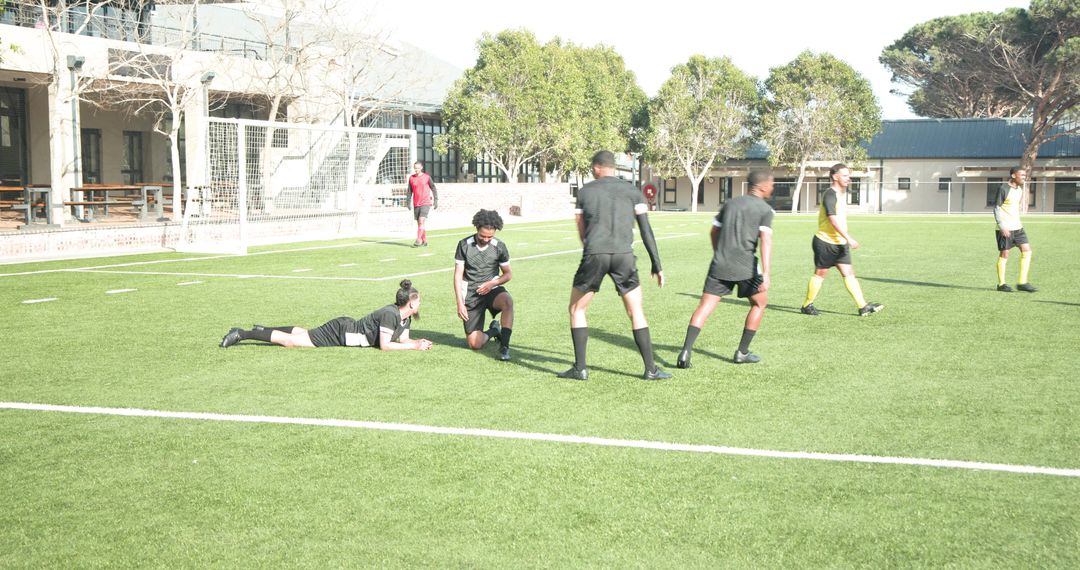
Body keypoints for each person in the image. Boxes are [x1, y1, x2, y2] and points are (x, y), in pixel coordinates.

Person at [558, 150, 670, 381]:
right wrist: (656, 265)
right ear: (614, 167)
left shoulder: (585, 191)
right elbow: (646, 230)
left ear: (597, 167)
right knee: (636, 311)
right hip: (624, 256)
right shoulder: (632, 191)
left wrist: (589, 247)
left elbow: (580, 224)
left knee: (577, 309)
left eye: (592, 168)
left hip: (595, 255)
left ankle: (580, 369)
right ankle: (651, 369)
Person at [677, 170, 776, 367]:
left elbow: (714, 231)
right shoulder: (765, 210)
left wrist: (718, 253)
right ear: (763, 186)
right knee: (759, 304)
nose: (772, 188)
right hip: (746, 266)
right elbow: (765, 240)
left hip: (720, 263)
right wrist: (766, 273)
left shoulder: (730, 203)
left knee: (704, 306)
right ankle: (742, 352)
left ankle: (685, 352)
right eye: (772, 184)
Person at [219, 280, 433, 350]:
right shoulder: (390, 314)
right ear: (411, 303)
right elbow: (385, 345)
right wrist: (413, 347)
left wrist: (417, 342)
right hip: (339, 333)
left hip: (344, 329)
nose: (421, 303)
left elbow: (402, 339)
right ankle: (242, 334)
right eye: (419, 300)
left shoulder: (404, 318)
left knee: (303, 333)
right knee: (290, 342)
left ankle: (263, 330)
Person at [800, 163, 884, 317]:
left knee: (849, 273)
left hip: (840, 243)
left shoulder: (840, 194)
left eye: (849, 175)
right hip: (825, 242)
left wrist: (844, 239)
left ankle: (862, 306)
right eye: (845, 175)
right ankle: (807, 304)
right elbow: (832, 219)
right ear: (835, 176)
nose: (849, 178)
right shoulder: (830, 194)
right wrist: (849, 238)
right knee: (820, 274)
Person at [454, 209, 514, 361]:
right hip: (471, 294)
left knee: (507, 301)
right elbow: (457, 275)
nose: (486, 239)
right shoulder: (464, 245)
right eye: (483, 236)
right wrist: (460, 303)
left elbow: (508, 274)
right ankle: (494, 331)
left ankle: (504, 347)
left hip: (492, 289)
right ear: (476, 229)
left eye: (490, 236)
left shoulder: (499, 246)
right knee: (475, 344)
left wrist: (492, 283)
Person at [993, 166, 1037, 292]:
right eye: (1022, 175)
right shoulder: (1003, 188)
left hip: (1018, 227)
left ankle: (1022, 282)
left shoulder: (1019, 190)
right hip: (1005, 228)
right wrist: (1002, 226)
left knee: (1027, 251)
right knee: (1005, 254)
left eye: (1025, 175)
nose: (1024, 177)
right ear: (1013, 175)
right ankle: (1001, 284)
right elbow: (996, 208)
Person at [407, 161, 438, 247]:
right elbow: (409, 191)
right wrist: (408, 202)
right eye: (415, 168)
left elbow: (433, 188)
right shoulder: (411, 178)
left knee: (421, 221)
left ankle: (418, 240)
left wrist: (436, 200)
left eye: (418, 168)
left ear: (421, 168)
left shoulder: (427, 177)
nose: (416, 170)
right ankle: (424, 240)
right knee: (420, 224)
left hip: (426, 203)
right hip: (416, 204)